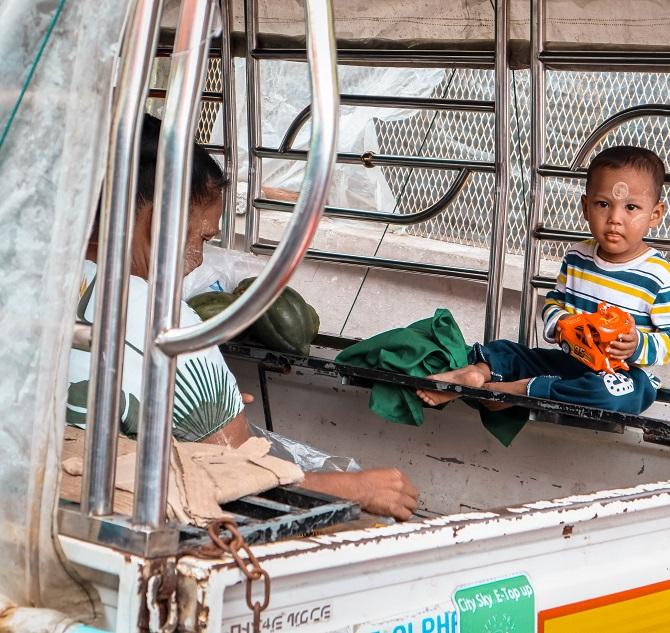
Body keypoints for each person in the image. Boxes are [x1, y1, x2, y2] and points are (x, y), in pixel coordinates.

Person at [68, 114, 419, 520]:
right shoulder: (172, 332)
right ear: (162, 220)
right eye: (200, 238)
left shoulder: (27, 290)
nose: (196, 261)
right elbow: (244, 481)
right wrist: (358, 489)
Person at [417, 146, 670, 415]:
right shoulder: (577, 256)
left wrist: (637, 345)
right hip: (569, 361)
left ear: (654, 215)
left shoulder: (657, 273)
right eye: (603, 204)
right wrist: (562, 324)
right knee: (508, 351)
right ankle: (476, 373)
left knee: (610, 394)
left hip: (619, 374)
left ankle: (524, 390)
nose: (615, 219)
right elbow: (553, 304)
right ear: (585, 206)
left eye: (631, 207)